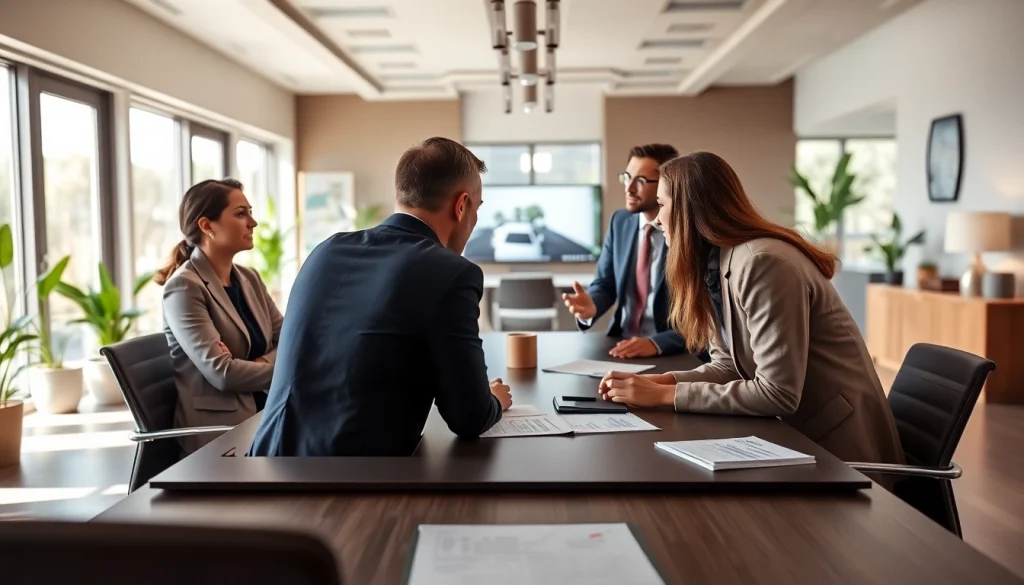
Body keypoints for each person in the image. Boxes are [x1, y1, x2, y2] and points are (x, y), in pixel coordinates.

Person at [598, 151, 904, 465]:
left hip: (840, 452)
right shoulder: (716, 262)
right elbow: (727, 366)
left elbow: (777, 392)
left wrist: (664, 396)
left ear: (691, 209)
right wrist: (660, 383)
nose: (657, 219)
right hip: (794, 439)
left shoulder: (763, 264)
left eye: (662, 205)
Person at [248, 137, 512, 457]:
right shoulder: (451, 273)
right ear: (461, 205)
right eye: (477, 208)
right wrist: (495, 399)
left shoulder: (326, 250)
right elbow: (470, 417)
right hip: (355, 485)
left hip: (266, 467)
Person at [155, 178, 283, 454]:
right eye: (241, 213)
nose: (253, 222)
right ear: (207, 226)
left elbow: (290, 338)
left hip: (266, 414)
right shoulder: (184, 287)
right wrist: (283, 366)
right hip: (221, 434)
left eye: (250, 212)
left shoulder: (249, 278)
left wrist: (255, 363)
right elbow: (223, 374)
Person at [562, 144, 693, 359]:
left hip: (671, 351)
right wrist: (591, 306)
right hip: (621, 345)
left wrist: (656, 343)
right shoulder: (620, 222)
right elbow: (605, 284)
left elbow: (703, 317)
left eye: (640, 181)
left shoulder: (687, 232)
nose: (629, 188)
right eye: (627, 177)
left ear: (667, 185)